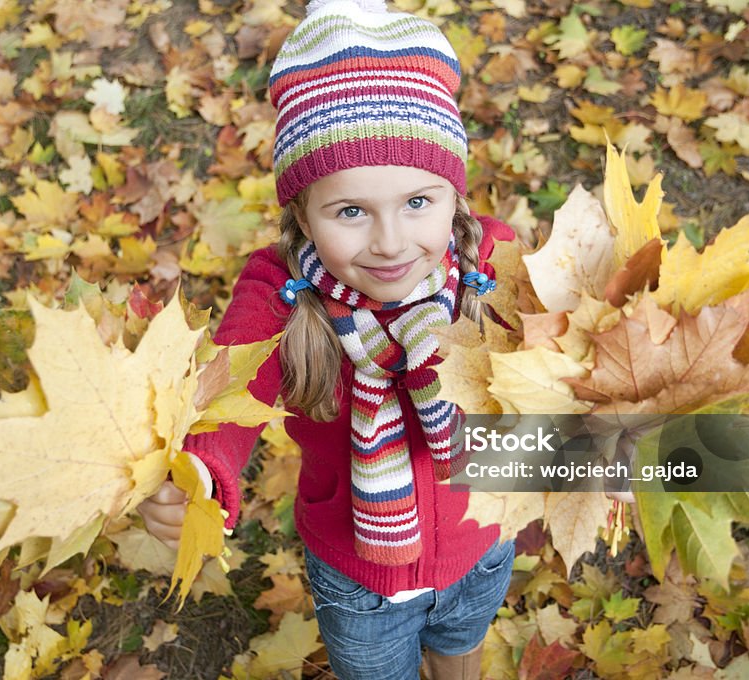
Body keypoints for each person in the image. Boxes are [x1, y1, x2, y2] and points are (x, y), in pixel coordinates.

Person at [139, 0, 518, 677]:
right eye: (350, 211)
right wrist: (200, 471)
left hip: (481, 544)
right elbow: (229, 387)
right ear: (303, 215)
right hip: (359, 579)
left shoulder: (497, 264)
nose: (392, 243)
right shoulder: (279, 293)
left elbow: (578, 362)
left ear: (455, 194)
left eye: (418, 202)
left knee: (462, 648)